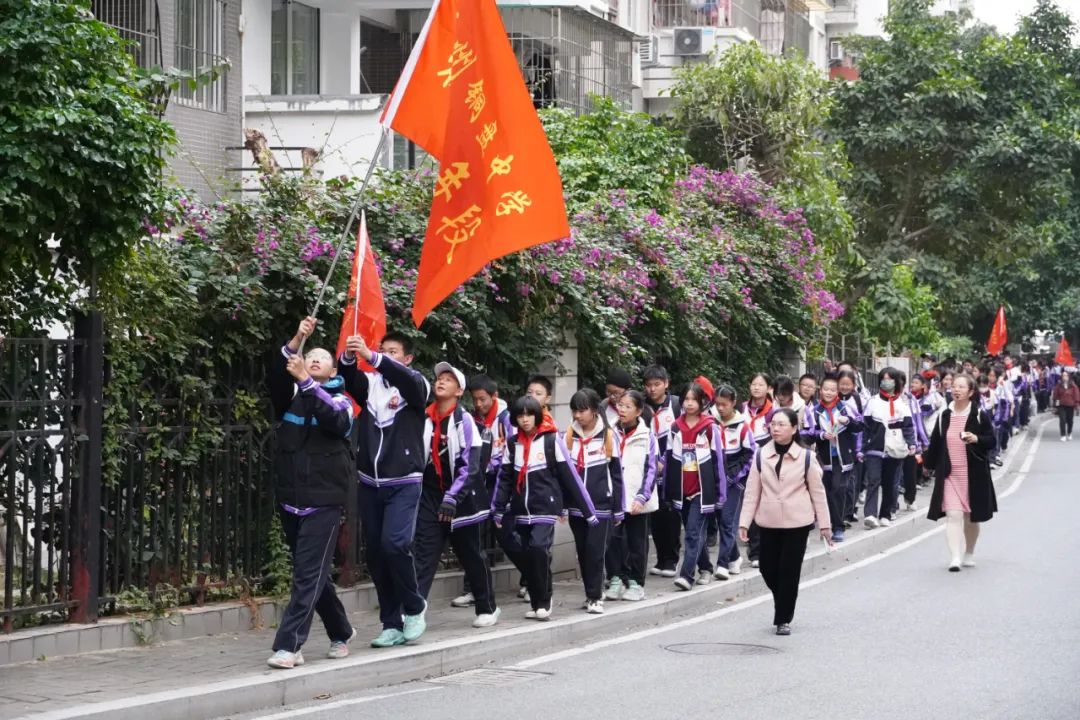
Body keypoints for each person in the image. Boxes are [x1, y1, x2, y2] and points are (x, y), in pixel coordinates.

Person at [266, 317, 355, 669]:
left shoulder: (343, 401)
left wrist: (305, 379)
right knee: (313, 572)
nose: (315, 359)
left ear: (333, 368)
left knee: (307, 574)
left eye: (322, 357)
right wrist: (298, 336)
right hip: (291, 497)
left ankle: (289, 646)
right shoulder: (289, 395)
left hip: (325, 501)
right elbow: (277, 371)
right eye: (310, 355)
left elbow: (335, 421)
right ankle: (341, 629)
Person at [339, 331, 430, 648]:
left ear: (407, 358)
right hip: (369, 483)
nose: (384, 355)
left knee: (395, 543)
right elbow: (349, 380)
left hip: (404, 481)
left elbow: (408, 382)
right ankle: (391, 622)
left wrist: (374, 356)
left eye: (393, 352)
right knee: (376, 554)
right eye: (382, 350)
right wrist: (351, 356)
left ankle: (415, 606)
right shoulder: (371, 384)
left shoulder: (416, 384)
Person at [492, 396, 598, 621]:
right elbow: (505, 479)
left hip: (546, 507)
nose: (524, 420)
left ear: (537, 415)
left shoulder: (551, 440)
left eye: (529, 415)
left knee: (539, 548)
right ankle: (537, 600)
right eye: (520, 416)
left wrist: (587, 511)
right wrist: (498, 508)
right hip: (522, 509)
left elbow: (570, 477)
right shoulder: (513, 444)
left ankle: (544, 600)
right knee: (529, 553)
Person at [413, 362, 500, 629]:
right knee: (423, 553)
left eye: (449, 379)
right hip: (430, 494)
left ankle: (488, 607)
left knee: (471, 553)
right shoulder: (423, 418)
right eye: (439, 377)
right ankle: (414, 612)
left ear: (459, 391)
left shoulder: (465, 423)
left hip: (461, 497)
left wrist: (452, 497)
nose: (441, 382)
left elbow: (471, 465)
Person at [739, 408, 832, 636]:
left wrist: (825, 525)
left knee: (790, 572)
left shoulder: (806, 457)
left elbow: (818, 493)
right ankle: (783, 598)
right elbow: (752, 492)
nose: (776, 428)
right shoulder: (760, 455)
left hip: (797, 523)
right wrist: (744, 523)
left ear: (794, 428)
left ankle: (783, 618)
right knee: (767, 567)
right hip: (768, 521)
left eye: (782, 424)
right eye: (773, 424)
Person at [924, 373, 998, 571]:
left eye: (961, 387)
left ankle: (969, 552)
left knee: (970, 517)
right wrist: (928, 466)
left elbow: (992, 441)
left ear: (970, 391)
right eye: (954, 386)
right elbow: (936, 444)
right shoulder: (944, 416)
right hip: (949, 474)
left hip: (973, 474)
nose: (956, 390)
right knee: (953, 515)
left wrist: (977, 439)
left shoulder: (979, 415)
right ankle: (955, 557)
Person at [566, 389, 623, 614]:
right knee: (583, 551)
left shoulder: (608, 436)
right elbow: (565, 474)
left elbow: (616, 474)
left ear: (594, 410)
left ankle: (595, 596)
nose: (578, 415)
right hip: (576, 507)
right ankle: (590, 593)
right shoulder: (569, 436)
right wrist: (563, 504)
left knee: (595, 550)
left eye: (582, 410)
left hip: (601, 504)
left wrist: (618, 508)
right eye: (575, 411)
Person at [666, 382, 726, 591]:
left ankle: (686, 575)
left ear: (702, 402)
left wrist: (720, 492)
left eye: (694, 399)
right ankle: (706, 567)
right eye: (686, 399)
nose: (690, 403)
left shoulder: (710, 427)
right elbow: (668, 460)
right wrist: (669, 490)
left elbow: (719, 461)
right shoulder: (675, 428)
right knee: (694, 533)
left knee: (692, 532)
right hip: (682, 490)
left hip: (703, 490)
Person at [606, 390, 658, 602]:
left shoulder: (647, 436)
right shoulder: (610, 432)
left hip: (638, 499)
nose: (622, 409)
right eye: (620, 405)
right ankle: (616, 578)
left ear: (638, 411)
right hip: (615, 497)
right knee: (613, 540)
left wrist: (642, 496)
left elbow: (652, 468)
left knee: (637, 543)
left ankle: (636, 582)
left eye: (628, 406)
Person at [802, 375, 862, 543]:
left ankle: (838, 527)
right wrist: (822, 434)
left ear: (837, 392)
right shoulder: (814, 411)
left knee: (838, 489)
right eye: (826, 389)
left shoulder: (845, 408)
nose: (829, 392)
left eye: (832, 390)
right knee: (826, 493)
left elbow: (860, 425)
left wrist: (848, 421)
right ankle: (826, 526)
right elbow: (806, 434)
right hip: (823, 458)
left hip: (843, 458)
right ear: (820, 390)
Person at [861, 367, 916, 528]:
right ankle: (870, 514)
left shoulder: (903, 404)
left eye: (890, 379)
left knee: (890, 482)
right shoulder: (872, 402)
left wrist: (912, 443)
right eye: (884, 378)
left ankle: (885, 513)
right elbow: (865, 426)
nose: (887, 382)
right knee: (873, 480)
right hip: (874, 448)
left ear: (896, 381)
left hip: (895, 448)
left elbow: (908, 427)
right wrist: (862, 447)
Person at [710, 385, 754, 578]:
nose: (720, 409)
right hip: (713, 479)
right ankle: (735, 556)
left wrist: (735, 476)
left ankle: (722, 564)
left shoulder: (742, 426)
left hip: (734, 482)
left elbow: (750, 454)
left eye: (724, 405)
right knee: (720, 520)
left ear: (733, 403)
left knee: (728, 521)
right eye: (717, 404)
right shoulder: (710, 422)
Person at [643, 365, 682, 578]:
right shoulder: (642, 407)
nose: (652, 389)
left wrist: (666, 461)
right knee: (655, 514)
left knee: (671, 514)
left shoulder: (675, 405)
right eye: (648, 385)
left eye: (656, 384)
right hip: (650, 467)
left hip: (671, 467)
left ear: (666, 384)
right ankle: (660, 558)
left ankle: (672, 559)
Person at [742, 373, 774, 568]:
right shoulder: (741, 409)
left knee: (765, 505)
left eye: (761, 384)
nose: (756, 388)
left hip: (767, 462)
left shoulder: (773, 412)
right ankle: (754, 552)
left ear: (768, 388)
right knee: (750, 505)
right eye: (753, 384)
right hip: (745, 462)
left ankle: (765, 548)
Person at [1052, 371, 1080, 441]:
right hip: (1062, 405)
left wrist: (1077, 405)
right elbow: (1056, 397)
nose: (1064, 377)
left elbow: (1076, 396)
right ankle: (1063, 435)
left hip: (1070, 405)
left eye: (1066, 375)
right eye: (1063, 375)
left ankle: (1069, 433)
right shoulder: (1059, 385)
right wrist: (1056, 406)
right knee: (1062, 420)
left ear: (1069, 376)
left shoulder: (1073, 385)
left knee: (1070, 421)